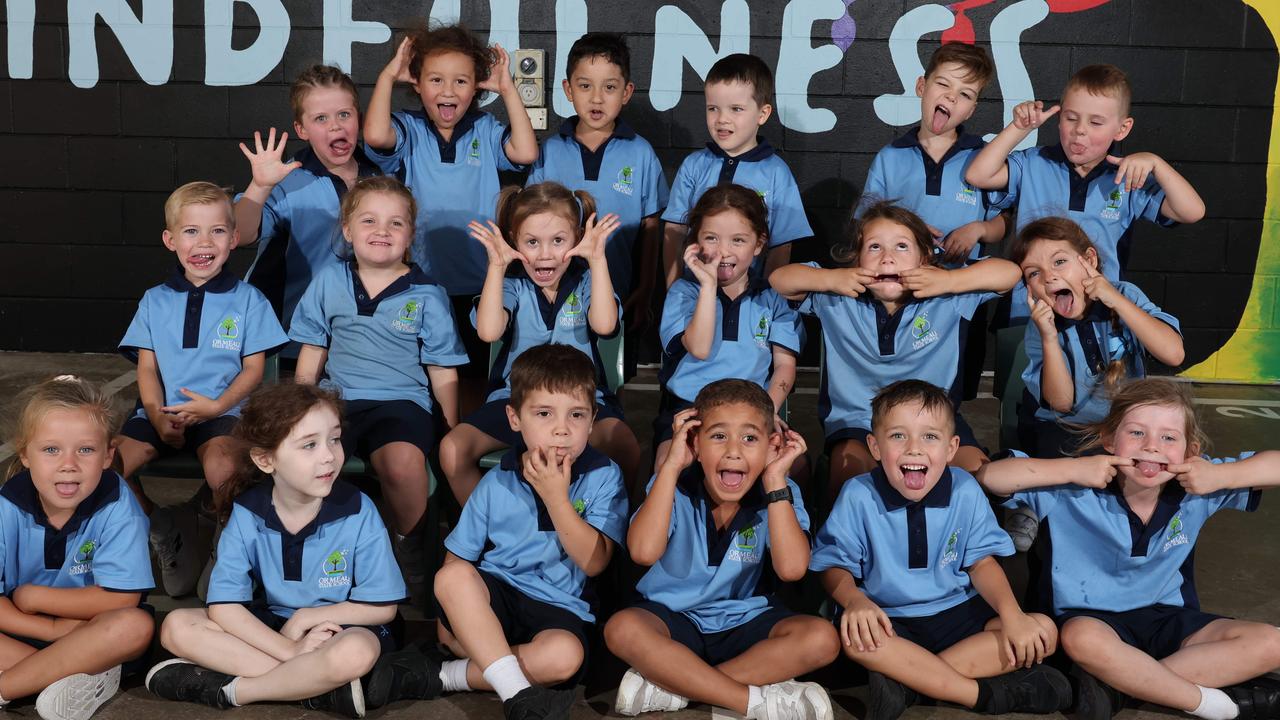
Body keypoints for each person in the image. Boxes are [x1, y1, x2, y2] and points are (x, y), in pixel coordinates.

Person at [977, 378, 1280, 720]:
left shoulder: (1197, 488)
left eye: (1169, 438)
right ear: (1109, 439)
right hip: (1088, 619)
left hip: (1166, 616)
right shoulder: (1070, 486)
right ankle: (1203, 701)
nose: (1151, 446)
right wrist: (1072, 468)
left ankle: (1116, 687)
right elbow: (989, 477)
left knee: (1273, 644)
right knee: (1082, 638)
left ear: (1190, 452)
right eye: (1136, 433)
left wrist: (1223, 475)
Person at [385, 344, 628, 720]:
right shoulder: (498, 481)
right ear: (515, 419)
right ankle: (518, 694)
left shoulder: (603, 477)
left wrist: (555, 496)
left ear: (593, 419)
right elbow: (457, 563)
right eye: (544, 414)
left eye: (576, 415)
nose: (562, 429)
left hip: (560, 607)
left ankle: (446, 676)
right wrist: (456, 617)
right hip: (500, 594)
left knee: (564, 658)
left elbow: (595, 562)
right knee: (450, 579)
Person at [810, 379, 1069, 720]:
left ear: (951, 448)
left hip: (957, 614)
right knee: (854, 640)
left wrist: (1012, 614)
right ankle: (983, 695)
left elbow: (982, 563)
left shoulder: (965, 489)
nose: (914, 448)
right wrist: (855, 601)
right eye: (898, 436)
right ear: (874, 446)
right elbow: (833, 565)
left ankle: (909, 683)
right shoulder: (858, 494)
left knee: (1042, 632)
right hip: (889, 620)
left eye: (930, 436)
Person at [145, 383, 407, 718]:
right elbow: (225, 607)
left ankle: (236, 691)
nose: (329, 455)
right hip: (275, 629)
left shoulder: (358, 509)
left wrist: (306, 618)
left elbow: (383, 608)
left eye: (335, 439)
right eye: (309, 445)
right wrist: (291, 649)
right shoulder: (248, 511)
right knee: (176, 627)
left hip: (342, 627)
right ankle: (317, 690)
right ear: (266, 460)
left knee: (354, 653)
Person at [604, 380, 839, 720]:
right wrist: (670, 465)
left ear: (771, 446)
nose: (733, 451)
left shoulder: (779, 492)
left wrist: (775, 481)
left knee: (822, 639)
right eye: (717, 436)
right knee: (622, 628)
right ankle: (750, 701)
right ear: (695, 444)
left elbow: (792, 569)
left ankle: (675, 685)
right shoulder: (673, 483)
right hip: (673, 620)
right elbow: (642, 551)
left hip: (745, 619)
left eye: (750, 438)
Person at [289, 175, 466, 597]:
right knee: (304, 463)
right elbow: (314, 349)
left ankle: (410, 551)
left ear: (410, 235)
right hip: (337, 403)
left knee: (402, 466)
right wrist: (300, 406)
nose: (382, 231)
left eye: (395, 223)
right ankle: (305, 555)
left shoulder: (427, 294)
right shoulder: (330, 281)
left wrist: (452, 428)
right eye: (369, 221)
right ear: (348, 231)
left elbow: (443, 370)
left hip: (401, 403)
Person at [769, 201, 1019, 499]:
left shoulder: (947, 296)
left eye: (902, 247)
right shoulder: (837, 297)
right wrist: (830, 278)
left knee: (976, 482)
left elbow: (1010, 274)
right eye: (874, 248)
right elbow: (779, 280)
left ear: (925, 258)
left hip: (934, 420)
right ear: (857, 258)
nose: (887, 258)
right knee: (850, 484)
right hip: (859, 422)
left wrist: (951, 279)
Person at [117, 181, 288, 597]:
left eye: (216, 231)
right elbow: (147, 370)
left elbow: (252, 372)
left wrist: (216, 408)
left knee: (223, 470)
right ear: (170, 240)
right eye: (191, 231)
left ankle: (226, 553)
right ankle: (164, 527)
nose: (204, 242)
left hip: (224, 413)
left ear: (233, 238)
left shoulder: (249, 300)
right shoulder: (155, 300)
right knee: (104, 467)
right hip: (160, 413)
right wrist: (157, 416)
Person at [364, 24, 539, 411]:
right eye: (436, 80)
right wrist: (387, 76)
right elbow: (376, 136)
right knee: (431, 378)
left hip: (480, 285)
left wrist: (508, 89)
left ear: (476, 87)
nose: (448, 91)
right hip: (423, 284)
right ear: (417, 84)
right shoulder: (409, 129)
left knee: (475, 380)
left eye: (461, 81)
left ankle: (466, 451)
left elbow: (525, 153)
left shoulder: (485, 128)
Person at [439, 182, 641, 500]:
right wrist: (496, 265)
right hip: (516, 403)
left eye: (558, 241)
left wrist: (598, 260)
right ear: (514, 242)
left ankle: (610, 533)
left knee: (626, 445)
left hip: (581, 405)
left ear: (576, 239)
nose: (545, 254)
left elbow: (604, 325)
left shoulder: (588, 279)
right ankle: (489, 532)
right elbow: (488, 331)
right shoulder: (511, 283)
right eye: (532, 242)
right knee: (452, 450)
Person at [964, 63, 1204, 322]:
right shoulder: (1034, 162)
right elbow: (978, 174)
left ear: (1122, 129)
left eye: (1096, 122)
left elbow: (1192, 212)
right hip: (1028, 311)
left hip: (1099, 316)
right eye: (1071, 118)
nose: (1080, 129)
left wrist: (1157, 164)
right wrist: (1020, 128)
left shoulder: (1126, 177)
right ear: (1059, 119)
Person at [0, 376, 155, 720]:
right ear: (24, 453)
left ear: (107, 455)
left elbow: (121, 600)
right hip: (23, 632)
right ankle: (62, 680)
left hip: (93, 635)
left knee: (134, 626)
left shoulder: (118, 506)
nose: (68, 463)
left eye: (85, 449)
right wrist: (52, 630)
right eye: (51, 449)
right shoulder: (6, 506)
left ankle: (9, 686)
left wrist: (34, 597)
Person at [233, 65, 382, 360]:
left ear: (358, 119)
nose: (336, 127)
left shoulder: (382, 177)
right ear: (301, 129)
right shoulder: (287, 181)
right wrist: (260, 185)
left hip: (356, 345)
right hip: (288, 343)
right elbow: (239, 233)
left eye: (344, 114)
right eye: (320, 119)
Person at [653, 184, 801, 468]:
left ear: (758, 244)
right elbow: (699, 347)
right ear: (694, 242)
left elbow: (785, 366)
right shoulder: (683, 293)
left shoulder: (772, 300)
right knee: (667, 464)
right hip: (690, 408)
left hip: (751, 411)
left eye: (738, 240)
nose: (723, 251)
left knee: (792, 465)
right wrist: (708, 286)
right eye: (711, 238)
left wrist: (767, 411)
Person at [528, 31, 668, 326]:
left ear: (626, 92)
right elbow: (528, 221)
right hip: (555, 295)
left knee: (610, 368)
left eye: (609, 87)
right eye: (585, 85)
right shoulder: (550, 151)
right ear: (568, 89)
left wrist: (645, 288)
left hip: (620, 292)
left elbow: (651, 227)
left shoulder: (641, 153)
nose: (596, 98)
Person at [661, 53, 811, 286]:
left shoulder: (777, 173)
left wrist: (767, 298)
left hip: (749, 301)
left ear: (762, 114)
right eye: (713, 109)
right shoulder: (694, 165)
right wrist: (673, 288)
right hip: (695, 294)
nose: (722, 119)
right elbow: (675, 231)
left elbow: (782, 245)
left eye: (736, 109)